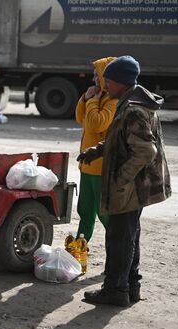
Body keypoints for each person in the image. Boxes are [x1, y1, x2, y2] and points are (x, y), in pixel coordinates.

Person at [79, 56, 171, 306]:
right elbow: (120, 138)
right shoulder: (130, 102)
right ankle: (131, 286)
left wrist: (121, 179)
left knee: (119, 238)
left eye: (108, 81)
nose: (105, 85)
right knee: (129, 235)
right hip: (134, 186)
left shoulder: (133, 109)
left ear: (121, 82)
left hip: (130, 187)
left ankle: (115, 290)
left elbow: (145, 151)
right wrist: (97, 150)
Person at [74, 57, 116, 242]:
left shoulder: (112, 101)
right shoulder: (96, 97)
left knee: (106, 216)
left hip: (101, 169)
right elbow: (79, 118)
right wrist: (85, 98)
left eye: (96, 76)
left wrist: (93, 101)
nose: (93, 80)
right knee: (85, 213)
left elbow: (95, 124)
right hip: (87, 166)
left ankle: (117, 257)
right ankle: (76, 253)